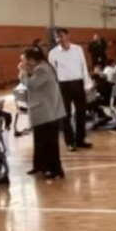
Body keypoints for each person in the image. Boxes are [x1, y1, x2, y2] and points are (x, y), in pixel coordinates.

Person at [19, 47, 66, 180]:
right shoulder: (40, 68)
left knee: (49, 142)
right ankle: (39, 165)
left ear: (32, 59)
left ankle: (54, 169)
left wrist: (23, 72)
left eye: (24, 60)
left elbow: (31, 85)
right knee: (39, 140)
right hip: (43, 111)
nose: (23, 63)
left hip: (47, 111)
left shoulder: (42, 69)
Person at [49, 29, 93, 152]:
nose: (60, 39)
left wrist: (87, 84)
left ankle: (80, 139)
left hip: (78, 83)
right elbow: (52, 73)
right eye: (57, 37)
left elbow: (83, 66)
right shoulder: (53, 53)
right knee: (65, 115)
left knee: (81, 113)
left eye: (61, 36)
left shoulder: (78, 49)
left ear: (68, 36)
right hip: (63, 85)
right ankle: (69, 142)